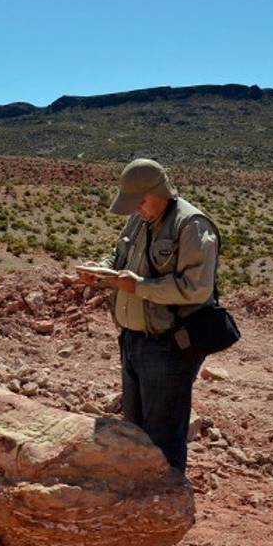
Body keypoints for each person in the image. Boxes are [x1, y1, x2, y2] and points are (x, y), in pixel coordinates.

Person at [78, 159, 219, 475]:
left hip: (168, 346)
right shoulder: (139, 220)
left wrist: (140, 287)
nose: (137, 209)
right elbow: (118, 258)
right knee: (135, 429)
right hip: (132, 339)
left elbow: (196, 289)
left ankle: (167, 504)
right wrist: (100, 272)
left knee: (164, 435)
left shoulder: (191, 226)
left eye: (140, 201)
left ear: (161, 192)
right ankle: (140, 499)